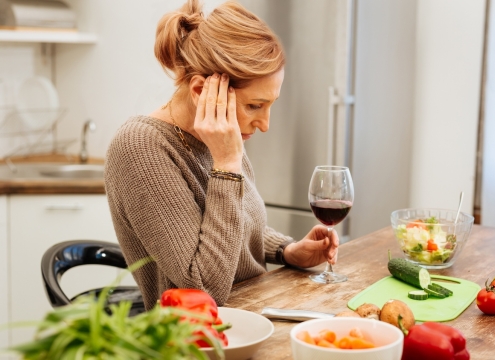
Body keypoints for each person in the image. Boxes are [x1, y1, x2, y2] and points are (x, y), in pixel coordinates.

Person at [104, 0, 339, 310]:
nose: (265, 124)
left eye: (270, 104)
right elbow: (203, 290)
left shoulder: (217, 137)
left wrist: (287, 250)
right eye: (254, 106)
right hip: (195, 344)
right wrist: (227, 164)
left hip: (253, 316)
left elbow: (227, 223)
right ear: (202, 92)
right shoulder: (140, 148)